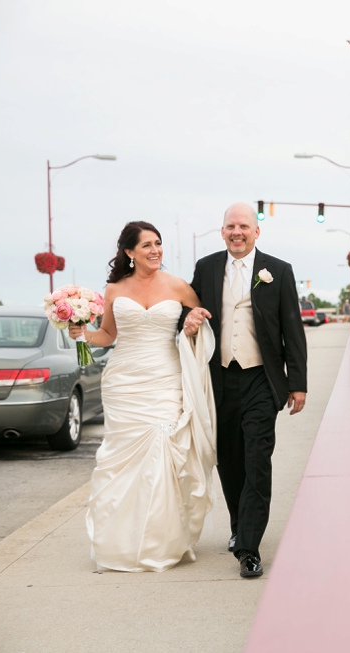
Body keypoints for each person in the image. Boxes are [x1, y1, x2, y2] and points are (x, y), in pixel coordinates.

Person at [69, 221, 217, 572]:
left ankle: (162, 541)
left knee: (164, 451)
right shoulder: (113, 289)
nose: (155, 250)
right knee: (123, 462)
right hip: (123, 381)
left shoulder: (178, 286)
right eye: (147, 245)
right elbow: (106, 335)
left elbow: (200, 323)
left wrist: (194, 322)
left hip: (166, 378)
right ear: (129, 252)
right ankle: (121, 542)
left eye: (159, 243)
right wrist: (81, 334)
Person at [182, 202, 307, 578]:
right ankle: (239, 525)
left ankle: (249, 548)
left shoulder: (279, 271)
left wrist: (297, 384)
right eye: (230, 226)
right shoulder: (205, 268)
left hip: (260, 379)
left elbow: (292, 329)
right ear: (222, 232)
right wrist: (187, 318)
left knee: (256, 460)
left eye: (244, 227)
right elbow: (185, 309)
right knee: (230, 462)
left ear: (256, 232)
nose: (237, 232)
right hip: (219, 379)